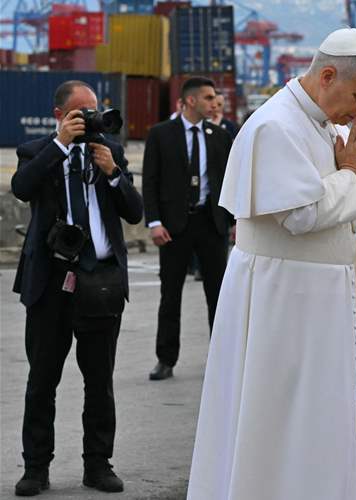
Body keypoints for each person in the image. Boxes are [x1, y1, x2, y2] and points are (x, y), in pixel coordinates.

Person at [186, 28, 356, 500]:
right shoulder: (274, 125)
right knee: (275, 422)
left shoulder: (325, 120)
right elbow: (301, 214)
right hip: (283, 301)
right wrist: (352, 175)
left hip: (318, 300)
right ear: (328, 76)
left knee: (320, 420)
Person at [11, 80, 143, 496]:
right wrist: (60, 145)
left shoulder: (110, 151)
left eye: (94, 110)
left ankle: (98, 464)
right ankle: (35, 468)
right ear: (59, 115)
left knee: (99, 381)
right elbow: (21, 188)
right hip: (50, 285)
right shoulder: (37, 151)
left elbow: (135, 212)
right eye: (80, 112)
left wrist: (113, 172)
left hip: (100, 283)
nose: (90, 118)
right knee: (42, 381)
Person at [142, 77, 234, 381]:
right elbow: (150, 181)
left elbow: (230, 182)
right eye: (208, 98)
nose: (214, 103)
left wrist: (233, 222)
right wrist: (154, 222)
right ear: (191, 101)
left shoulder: (220, 136)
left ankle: (221, 357)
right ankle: (165, 359)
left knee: (217, 295)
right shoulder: (160, 134)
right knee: (170, 295)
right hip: (174, 226)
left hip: (211, 224)